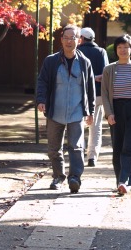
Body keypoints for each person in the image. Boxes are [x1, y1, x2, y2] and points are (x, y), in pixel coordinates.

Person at [36, 24, 95, 193]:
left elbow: (90, 88)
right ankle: (58, 177)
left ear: (80, 40)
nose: (70, 41)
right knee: (54, 148)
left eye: (73, 38)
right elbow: (42, 82)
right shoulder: (51, 60)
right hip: (55, 110)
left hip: (76, 111)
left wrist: (90, 110)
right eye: (66, 38)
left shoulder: (85, 63)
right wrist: (41, 100)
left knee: (76, 147)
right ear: (61, 40)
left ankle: (75, 177)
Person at [101, 34, 131, 196]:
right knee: (118, 148)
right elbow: (105, 94)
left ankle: (123, 181)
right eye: (120, 47)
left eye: (126, 47)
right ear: (116, 50)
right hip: (116, 110)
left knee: (130, 147)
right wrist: (109, 114)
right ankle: (121, 181)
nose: (123, 50)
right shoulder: (109, 69)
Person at [77, 27, 109, 167]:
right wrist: (95, 78)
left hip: (79, 94)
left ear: (82, 38)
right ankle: (92, 157)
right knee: (96, 127)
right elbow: (106, 74)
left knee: (78, 125)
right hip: (98, 95)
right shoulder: (101, 52)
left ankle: (79, 153)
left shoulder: (77, 52)